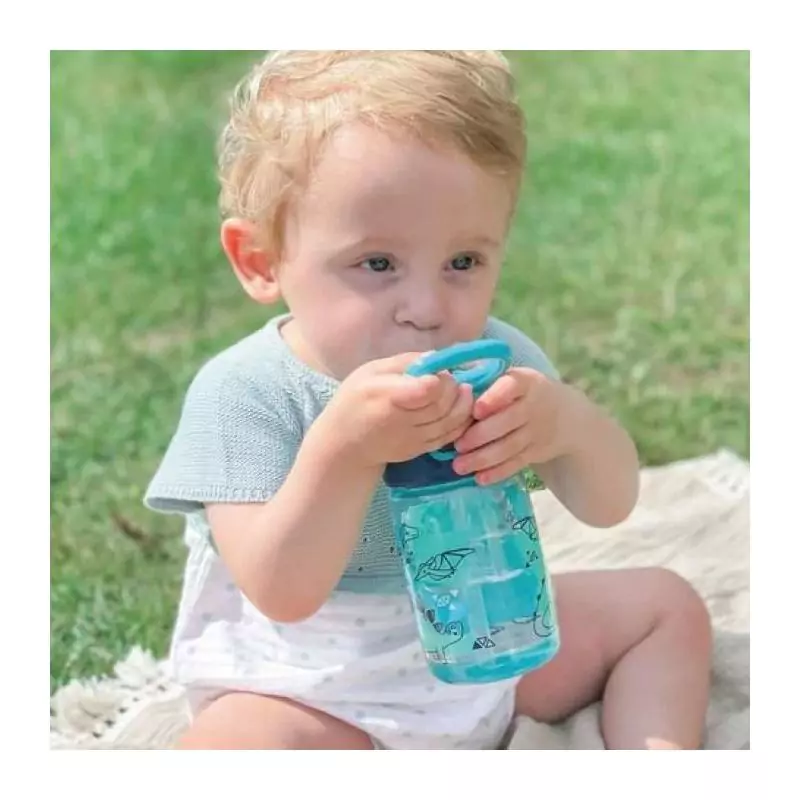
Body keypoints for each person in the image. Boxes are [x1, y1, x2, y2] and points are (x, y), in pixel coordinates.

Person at [144, 50, 712, 750]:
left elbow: (610, 505)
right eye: (378, 264)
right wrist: (344, 451)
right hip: (313, 689)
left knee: (665, 607)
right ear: (261, 261)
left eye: (463, 262)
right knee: (232, 745)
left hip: (492, 641)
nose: (427, 308)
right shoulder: (246, 393)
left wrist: (567, 426)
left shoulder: (491, 361)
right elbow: (282, 591)